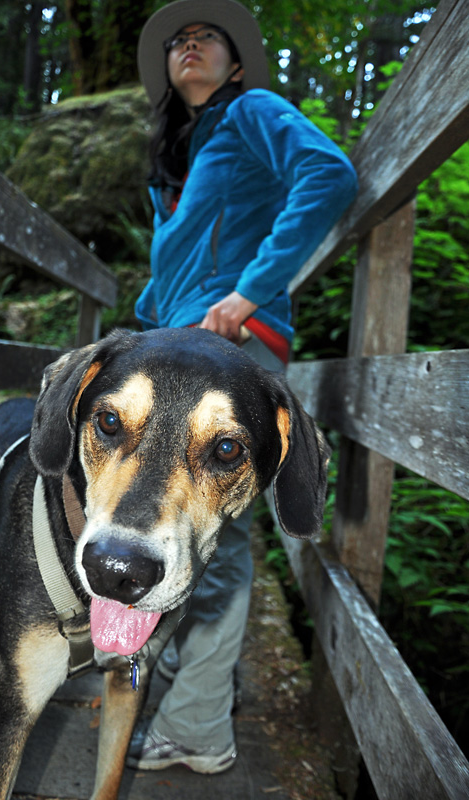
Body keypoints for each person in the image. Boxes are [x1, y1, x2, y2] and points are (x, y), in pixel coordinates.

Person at [127, 0, 358, 774]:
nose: (188, 48)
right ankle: (183, 664)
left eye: (207, 39)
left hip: (233, 343)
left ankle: (197, 726)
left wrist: (250, 291)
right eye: (178, 42)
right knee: (173, 516)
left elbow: (328, 173)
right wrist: (141, 327)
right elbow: (171, 273)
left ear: (234, 63)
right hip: (178, 345)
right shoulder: (178, 153)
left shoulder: (252, 111)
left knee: (214, 534)